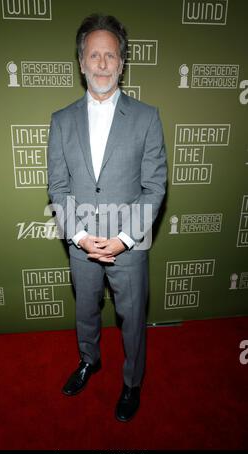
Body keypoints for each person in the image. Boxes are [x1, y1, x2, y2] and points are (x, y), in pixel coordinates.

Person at [48, 14, 167, 422]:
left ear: (122, 62)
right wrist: (79, 237)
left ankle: (132, 382)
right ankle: (89, 360)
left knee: (132, 320)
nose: (102, 63)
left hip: (129, 247)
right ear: (81, 63)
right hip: (81, 246)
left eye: (110, 55)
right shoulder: (60, 121)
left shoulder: (148, 117)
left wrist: (124, 239)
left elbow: (154, 188)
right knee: (85, 312)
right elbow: (57, 188)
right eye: (93, 55)